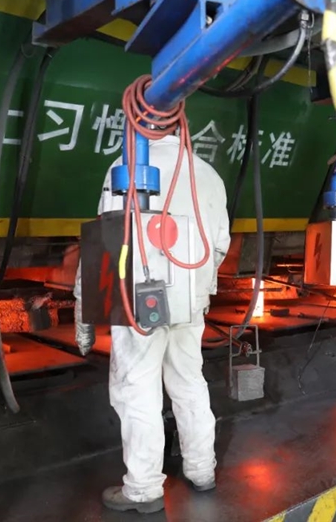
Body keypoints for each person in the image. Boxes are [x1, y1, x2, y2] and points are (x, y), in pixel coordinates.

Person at [74, 134, 231, 514]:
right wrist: (198, 287)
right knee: (189, 381)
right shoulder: (208, 174)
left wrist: (82, 303)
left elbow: (108, 239)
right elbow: (220, 245)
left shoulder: (125, 167)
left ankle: (143, 488)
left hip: (137, 299)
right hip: (191, 300)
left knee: (136, 387)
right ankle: (201, 469)